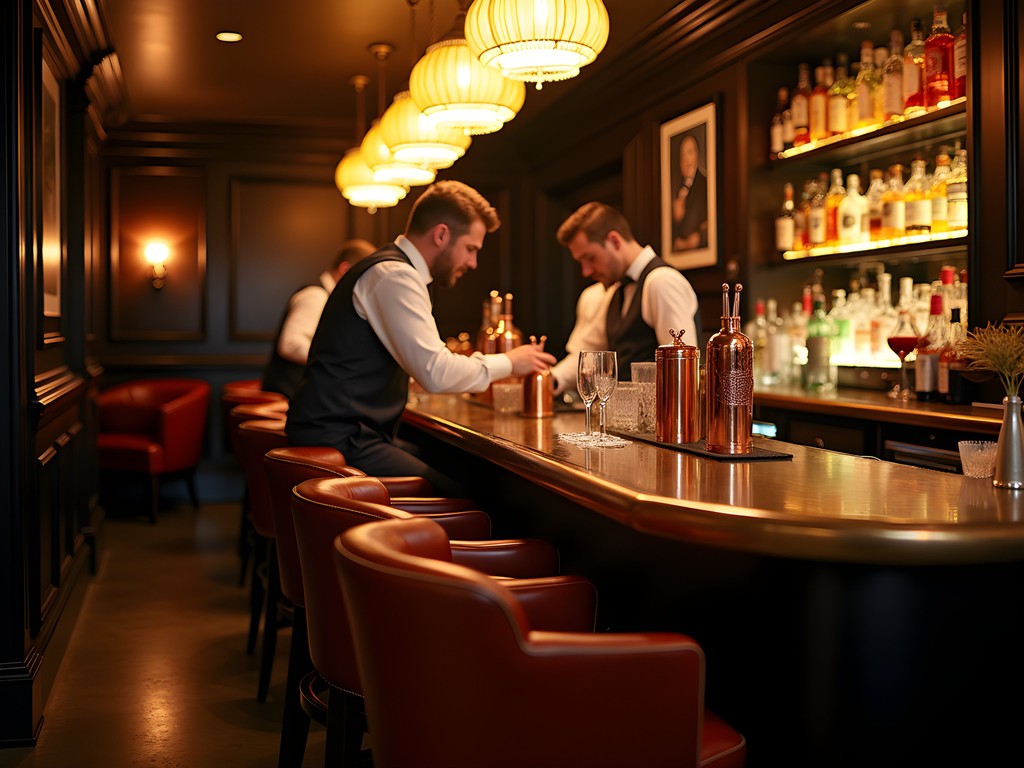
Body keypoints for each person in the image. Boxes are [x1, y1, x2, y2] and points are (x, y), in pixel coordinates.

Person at [286, 181, 555, 494]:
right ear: (441, 235)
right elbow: (436, 373)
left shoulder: (392, 270)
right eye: (470, 249)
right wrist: (509, 362)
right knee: (474, 492)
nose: (473, 263)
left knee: (462, 469)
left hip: (343, 433)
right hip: (339, 440)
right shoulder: (394, 275)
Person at [549, 202, 699, 395]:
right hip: (621, 420)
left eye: (591, 258)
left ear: (614, 241)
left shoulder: (661, 281)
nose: (586, 271)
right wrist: (550, 380)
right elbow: (589, 355)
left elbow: (683, 371)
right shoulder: (613, 290)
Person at [261, 238, 377, 399]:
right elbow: (290, 345)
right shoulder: (316, 295)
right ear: (345, 269)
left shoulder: (329, 298)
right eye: (362, 277)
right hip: (289, 398)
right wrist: (336, 361)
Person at [671, 133, 709, 252]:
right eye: (682, 155)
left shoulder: (706, 184)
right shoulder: (675, 190)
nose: (685, 159)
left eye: (690, 152)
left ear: (697, 155)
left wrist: (699, 238)